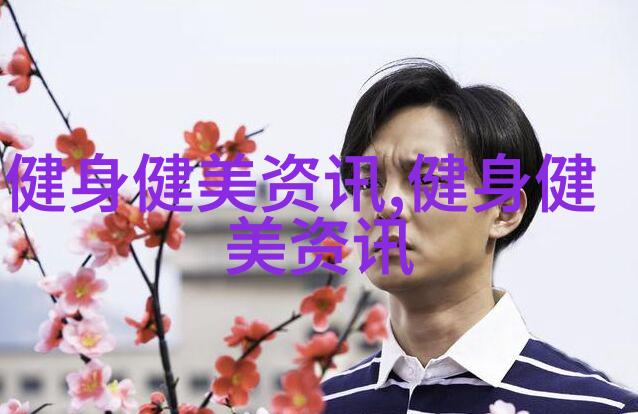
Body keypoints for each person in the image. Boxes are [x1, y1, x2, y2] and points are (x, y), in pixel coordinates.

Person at [319, 58, 638, 414]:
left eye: (424, 179)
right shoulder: (322, 405)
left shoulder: (599, 408)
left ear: (504, 210)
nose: (386, 204)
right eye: (368, 182)